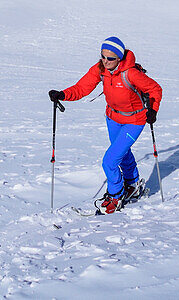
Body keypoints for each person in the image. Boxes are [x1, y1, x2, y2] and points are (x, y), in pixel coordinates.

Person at [49, 36, 162, 213]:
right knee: (122, 153)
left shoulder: (131, 73)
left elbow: (155, 89)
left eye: (110, 58)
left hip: (134, 121)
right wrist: (63, 94)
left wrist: (153, 110)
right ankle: (132, 184)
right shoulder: (100, 69)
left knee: (109, 161)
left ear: (119, 58)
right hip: (113, 118)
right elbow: (82, 88)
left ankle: (115, 196)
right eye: (103, 56)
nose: (105, 61)